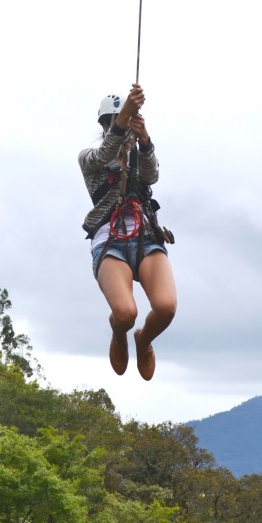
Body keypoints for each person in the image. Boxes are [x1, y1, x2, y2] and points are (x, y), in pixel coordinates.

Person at [79, 84, 176, 380]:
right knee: (125, 312)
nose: (118, 128)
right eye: (112, 122)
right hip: (111, 239)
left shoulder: (136, 157)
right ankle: (119, 332)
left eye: (122, 122)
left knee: (165, 307)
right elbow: (105, 154)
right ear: (105, 125)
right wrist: (123, 120)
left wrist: (145, 140)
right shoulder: (89, 158)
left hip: (146, 236)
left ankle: (143, 340)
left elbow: (152, 175)